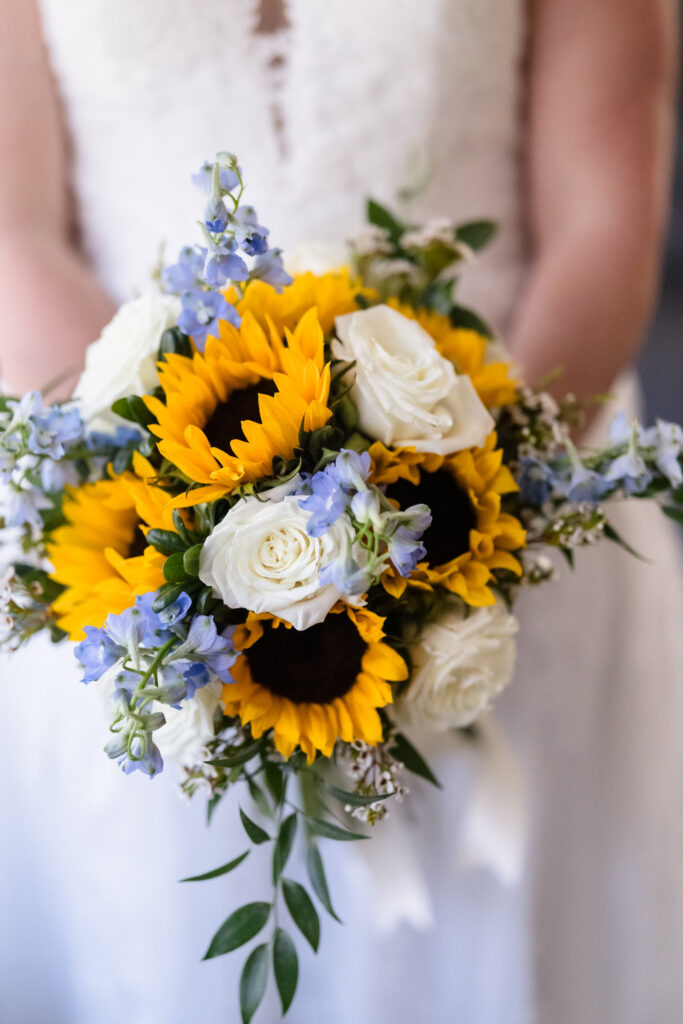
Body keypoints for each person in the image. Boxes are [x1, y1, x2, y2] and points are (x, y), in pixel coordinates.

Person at [0, 1, 681, 1021]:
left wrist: (459, 512)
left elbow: (600, 216)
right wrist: (177, 524)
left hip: (516, 508)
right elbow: (13, 230)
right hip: (128, 533)